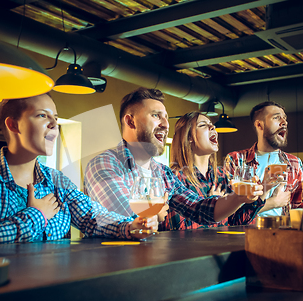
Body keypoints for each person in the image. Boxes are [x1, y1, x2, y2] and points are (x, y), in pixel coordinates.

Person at [0, 93, 156, 247]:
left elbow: (92, 217)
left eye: (56, 118)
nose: (54, 124)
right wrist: (36, 215)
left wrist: (130, 226)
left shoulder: (57, 180)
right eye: (43, 115)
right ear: (13, 125)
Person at [84, 88, 263, 228]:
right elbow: (127, 219)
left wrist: (239, 197)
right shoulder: (105, 163)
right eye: (156, 115)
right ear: (131, 122)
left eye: (166, 117)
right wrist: (155, 214)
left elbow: (200, 208)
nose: (165, 124)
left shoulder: (162, 173)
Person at [225, 101, 303, 216]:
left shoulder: (295, 163)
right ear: (259, 125)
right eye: (277, 118)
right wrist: (273, 202)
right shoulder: (236, 159)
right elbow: (229, 209)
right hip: (244, 232)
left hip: (281, 231)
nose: (284, 123)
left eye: (285, 119)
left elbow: (296, 207)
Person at [164, 111, 264, 230]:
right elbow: (178, 230)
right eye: (203, 125)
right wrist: (213, 203)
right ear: (189, 137)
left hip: (222, 247)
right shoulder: (175, 177)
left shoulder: (222, 175)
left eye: (211, 124)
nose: (213, 127)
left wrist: (255, 196)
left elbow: (237, 222)